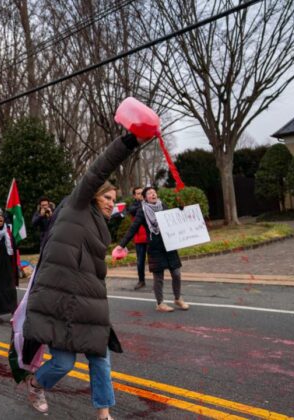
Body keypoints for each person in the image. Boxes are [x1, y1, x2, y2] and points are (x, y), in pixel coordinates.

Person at [23, 132, 154, 420]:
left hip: (89, 305)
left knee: (100, 359)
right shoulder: (77, 205)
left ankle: (104, 414)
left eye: (113, 199)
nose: (111, 202)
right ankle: (35, 383)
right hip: (58, 301)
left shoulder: (102, 228)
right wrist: (129, 141)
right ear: (92, 194)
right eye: (106, 197)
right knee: (63, 363)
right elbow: (99, 169)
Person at [116, 187, 190, 313]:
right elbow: (133, 229)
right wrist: (121, 245)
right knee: (158, 277)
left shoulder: (163, 205)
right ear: (145, 198)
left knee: (176, 273)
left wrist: (180, 210)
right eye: (150, 193)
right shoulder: (142, 211)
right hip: (155, 247)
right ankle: (160, 303)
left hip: (169, 244)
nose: (153, 194)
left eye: (154, 192)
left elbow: (172, 217)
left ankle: (178, 298)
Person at [127, 187, 149, 290]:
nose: (141, 195)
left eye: (142, 193)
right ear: (134, 196)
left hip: (151, 237)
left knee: (156, 259)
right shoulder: (133, 206)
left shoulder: (150, 202)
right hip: (139, 238)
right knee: (140, 261)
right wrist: (144, 202)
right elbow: (132, 210)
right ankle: (141, 280)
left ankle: (158, 280)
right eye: (138, 193)